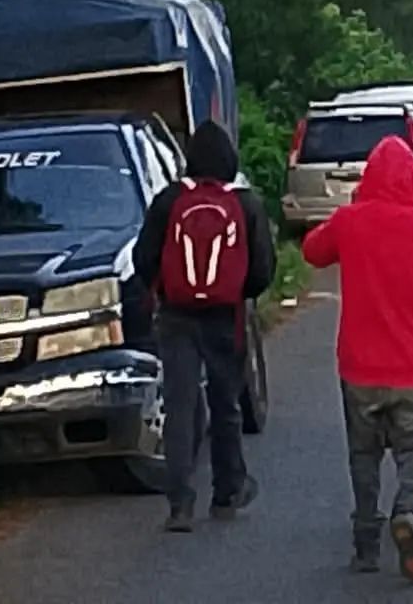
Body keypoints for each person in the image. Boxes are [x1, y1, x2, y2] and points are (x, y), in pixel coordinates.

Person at [303, 137, 413, 582]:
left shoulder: (350, 223)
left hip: (358, 367)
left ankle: (365, 544)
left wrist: (354, 206)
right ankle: (407, 512)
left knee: (363, 456)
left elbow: (312, 251)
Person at [132, 120, 275, 532]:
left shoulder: (168, 201)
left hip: (176, 317)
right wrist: (233, 290)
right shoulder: (245, 204)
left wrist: (165, 288)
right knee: (225, 402)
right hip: (224, 318)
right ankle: (227, 489)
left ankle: (179, 502)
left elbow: (143, 259)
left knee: (180, 406)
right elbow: (263, 269)